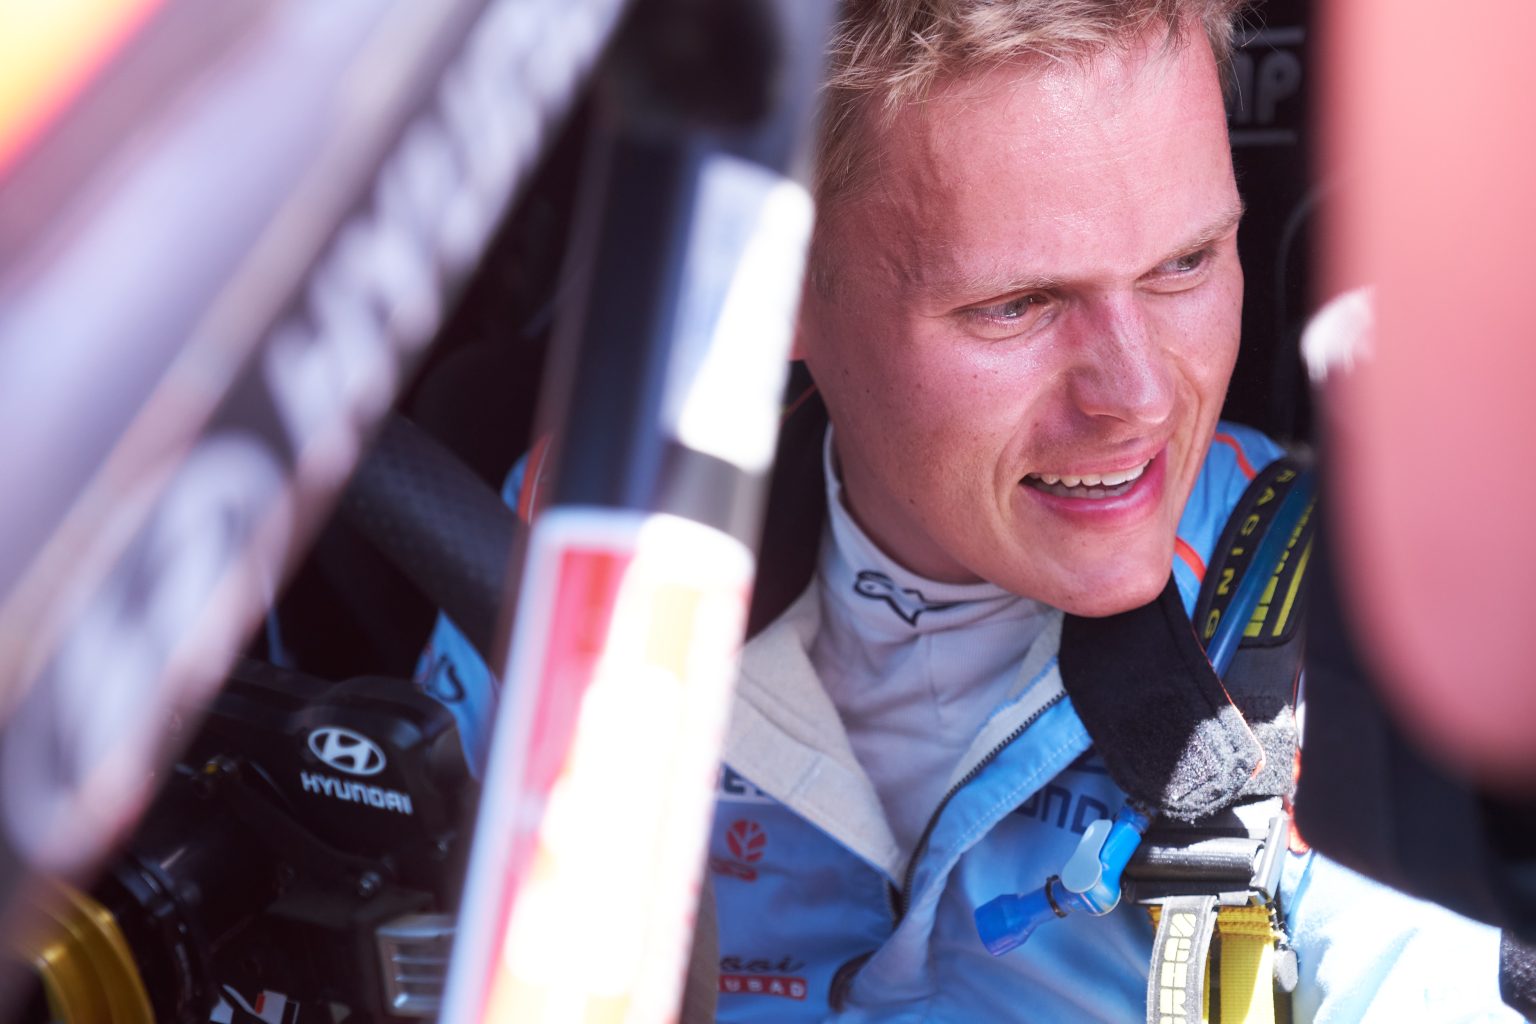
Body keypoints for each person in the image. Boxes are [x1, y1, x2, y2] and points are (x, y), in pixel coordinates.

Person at [703, 0, 1520, 1020]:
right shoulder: (586, 567)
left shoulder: (1375, 633)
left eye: (1185, 263)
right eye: (1016, 305)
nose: (1137, 397)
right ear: (772, 290)